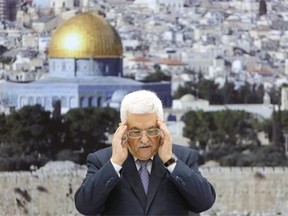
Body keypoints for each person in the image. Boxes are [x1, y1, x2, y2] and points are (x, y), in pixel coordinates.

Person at [74, 90, 216, 215]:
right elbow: (85, 207)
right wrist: (115, 163)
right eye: (135, 132)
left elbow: (204, 202)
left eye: (151, 131)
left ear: (162, 127)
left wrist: (170, 161)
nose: (144, 139)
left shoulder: (183, 158)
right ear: (123, 129)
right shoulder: (102, 160)